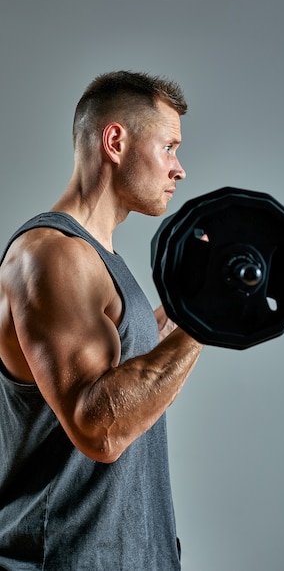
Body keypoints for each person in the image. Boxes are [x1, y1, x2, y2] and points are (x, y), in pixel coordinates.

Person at [0, 71, 204, 570]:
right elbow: (101, 430)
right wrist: (204, 322)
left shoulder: (95, 260)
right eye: (169, 147)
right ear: (115, 141)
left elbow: (126, 365)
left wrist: (197, 304)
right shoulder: (50, 256)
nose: (179, 170)